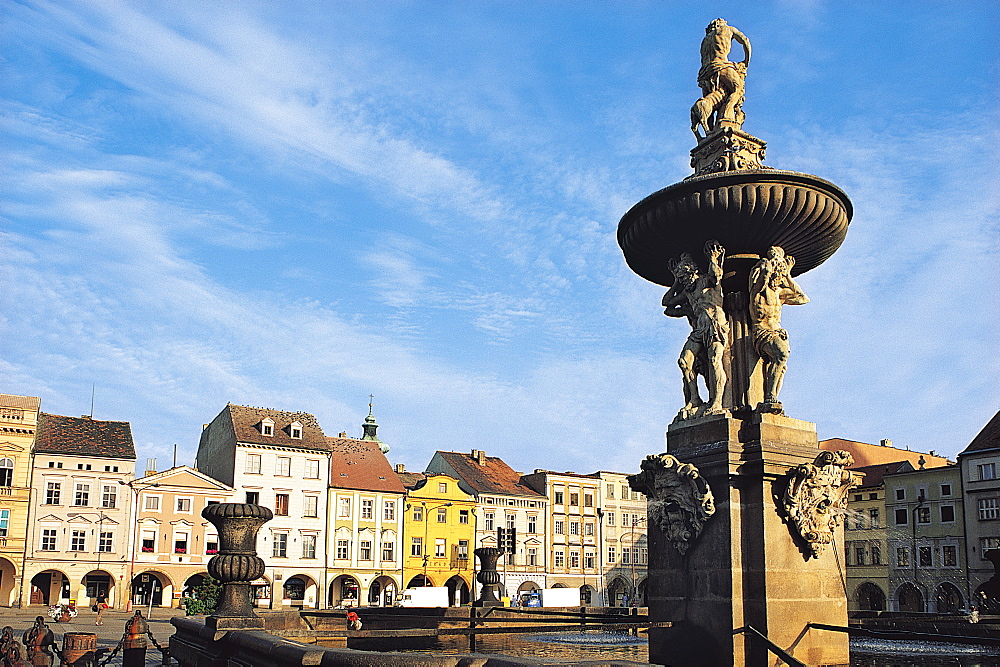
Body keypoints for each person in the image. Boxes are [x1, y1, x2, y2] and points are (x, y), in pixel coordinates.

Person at [662, 240, 729, 419]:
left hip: (715, 324)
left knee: (715, 360)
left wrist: (713, 259)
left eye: (684, 277)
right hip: (699, 329)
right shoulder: (688, 291)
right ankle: (695, 399)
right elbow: (666, 303)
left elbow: (717, 277)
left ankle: (717, 402)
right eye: (681, 279)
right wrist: (676, 282)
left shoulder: (706, 280)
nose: (684, 282)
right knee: (684, 362)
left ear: (692, 272)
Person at [748, 246, 809, 412]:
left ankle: (771, 396)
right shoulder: (758, 291)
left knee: (781, 363)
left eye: (780, 275)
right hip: (761, 331)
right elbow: (760, 280)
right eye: (777, 273)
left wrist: (788, 276)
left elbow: (803, 298)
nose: (778, 277)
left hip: (777, 332)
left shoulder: (780, 294)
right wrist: (767, 267)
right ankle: (769, 397)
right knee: (781, 355)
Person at [691, 18, 751, 138]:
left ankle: (710, 134)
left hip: (704, 73)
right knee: (737, 90)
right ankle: (726, 116)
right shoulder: (728, 29)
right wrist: (746, 61)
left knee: (711, 103)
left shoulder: (705, 40)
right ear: (721, 23)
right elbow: (745, 41)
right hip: (721, 65)